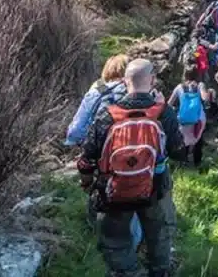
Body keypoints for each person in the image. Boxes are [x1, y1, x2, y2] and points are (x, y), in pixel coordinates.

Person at [78, 58, 188, 277]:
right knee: (160, 233)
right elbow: (179, 152)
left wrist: (87, 182)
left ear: (124, 81)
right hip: (156, 187)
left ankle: (128, 272)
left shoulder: (107, 115)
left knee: (115, 239)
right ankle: (160, 271)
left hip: (113, 190)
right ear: (152, 80)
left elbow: (87, 157)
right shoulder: (163, 112)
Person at [65, 55, 144, 251]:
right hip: (135, 157)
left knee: (99, 196)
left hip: (102, 158)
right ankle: (133, 247)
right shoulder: (139, 95)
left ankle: (98, 245)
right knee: (134, 200)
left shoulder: (96, 92)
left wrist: (84, 143)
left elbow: (74, 132)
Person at [168, 64, 210, 167]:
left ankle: (184, 162)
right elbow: (205, 98)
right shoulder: (200, 85)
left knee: (184, 141)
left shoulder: (179, 87)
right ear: (197, 74)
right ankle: (197, 163)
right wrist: (208, 93)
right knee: (198, 140)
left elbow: (169, 103)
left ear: (185, 74)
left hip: (183, 118)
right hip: (198, 119)